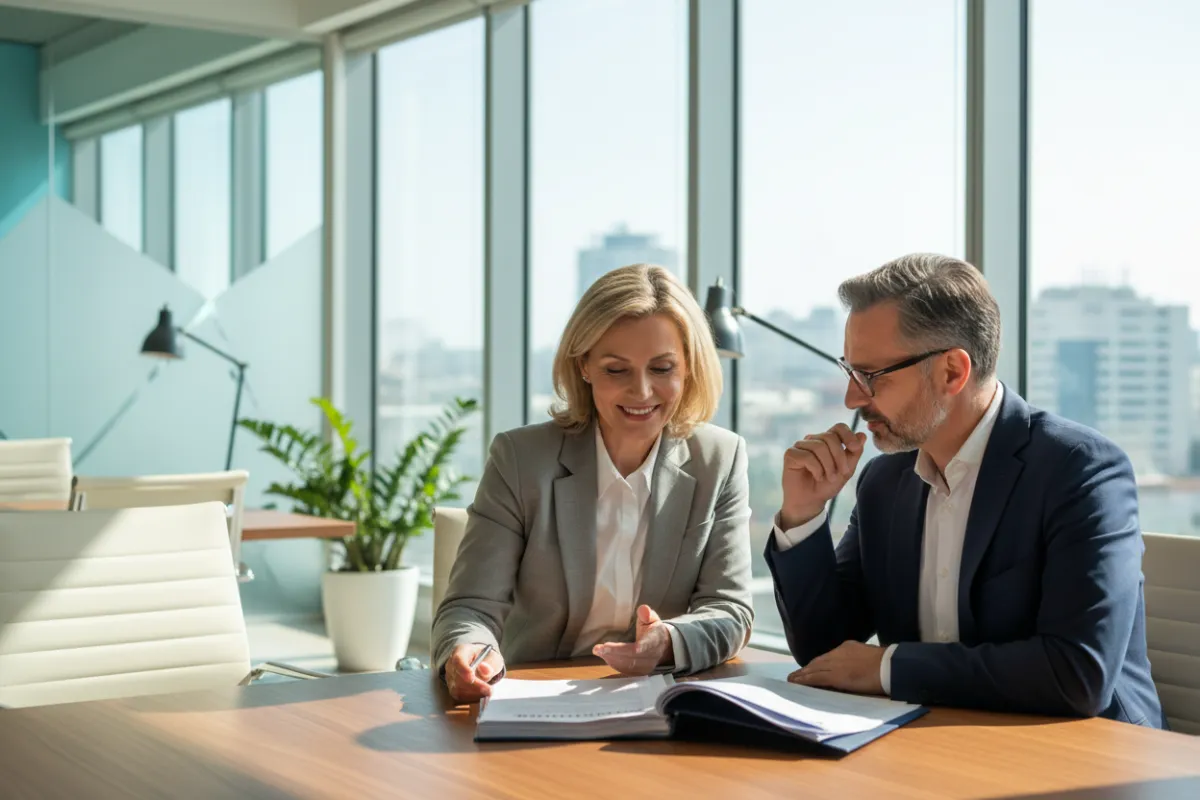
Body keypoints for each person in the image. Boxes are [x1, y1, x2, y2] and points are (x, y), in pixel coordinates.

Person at [767, 253, 1165, 728]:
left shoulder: (1078, 470)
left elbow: (1078, 674)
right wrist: (804, 514)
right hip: (935, 740)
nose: (853, 398)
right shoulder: (884, 483)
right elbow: (825, 653)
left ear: (953, 372)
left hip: (1091, 754)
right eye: (850, 372)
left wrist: (889, 668)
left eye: (870, 376)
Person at [433, 264, 754, 703]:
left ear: (689, 367)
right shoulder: (521, 459)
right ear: (583, 365)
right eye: (616, 370)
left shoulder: (720, 459)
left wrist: (667, 642)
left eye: (661, 368)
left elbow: (730, 610)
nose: (642, 392)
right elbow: (470, 606)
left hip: (658, 702)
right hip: (532, 700)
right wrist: (469, 650)